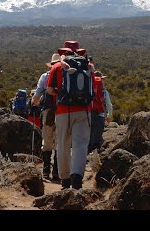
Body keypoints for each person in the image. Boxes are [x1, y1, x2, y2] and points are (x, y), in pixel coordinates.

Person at [47, 40, 94, 190]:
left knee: (62, 144)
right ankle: (77, 177)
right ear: (79, 51)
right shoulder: (88, 65)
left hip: (63, 111)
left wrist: (60, 94)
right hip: (84, 110)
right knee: (80, 144)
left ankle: (65, 179)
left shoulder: (57, 67)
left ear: (63, 52)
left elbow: (49, 89)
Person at [32, 53, 61, 180]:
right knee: (59, 142)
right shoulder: (65, 75)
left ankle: (45, 171)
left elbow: (37, 95)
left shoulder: (45, 76)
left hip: (48, 111)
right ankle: (56, 171)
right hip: (63, 112)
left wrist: (34, 103)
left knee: (47, 141)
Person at [88, 71, 112, 153]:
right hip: (100, 115)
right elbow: (109, 105)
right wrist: (109, 116)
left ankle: (87, 156)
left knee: (90, 136)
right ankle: (95, 155)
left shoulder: (88, 90)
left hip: (89, 115)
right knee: (97, 138)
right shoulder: (104, 92)